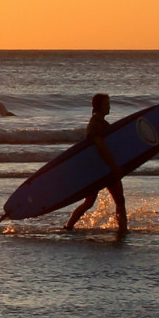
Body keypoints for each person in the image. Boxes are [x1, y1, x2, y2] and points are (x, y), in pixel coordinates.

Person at [63, 93, 127, 233]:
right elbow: (101, 148)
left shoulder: (102, 123)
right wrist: (114, 166)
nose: (109, 107)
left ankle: (69, 227)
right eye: (106, 104)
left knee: (90, 202)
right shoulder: (95, 125)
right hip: (102, 169)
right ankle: (123, 230)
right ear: (99, 106)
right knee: (117, 202)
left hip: (98, 169)